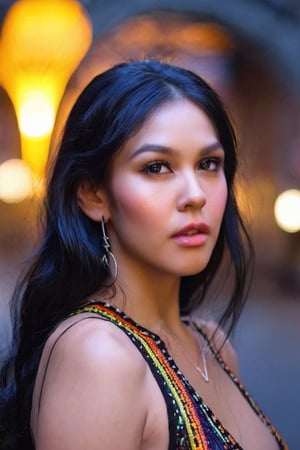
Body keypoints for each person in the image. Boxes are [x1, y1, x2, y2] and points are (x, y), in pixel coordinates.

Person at [0, 59, 287, 450]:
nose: (195, 195)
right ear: (93, 195)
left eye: (208, 164)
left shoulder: (213, 344)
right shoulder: (98, 354)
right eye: (156, 167)